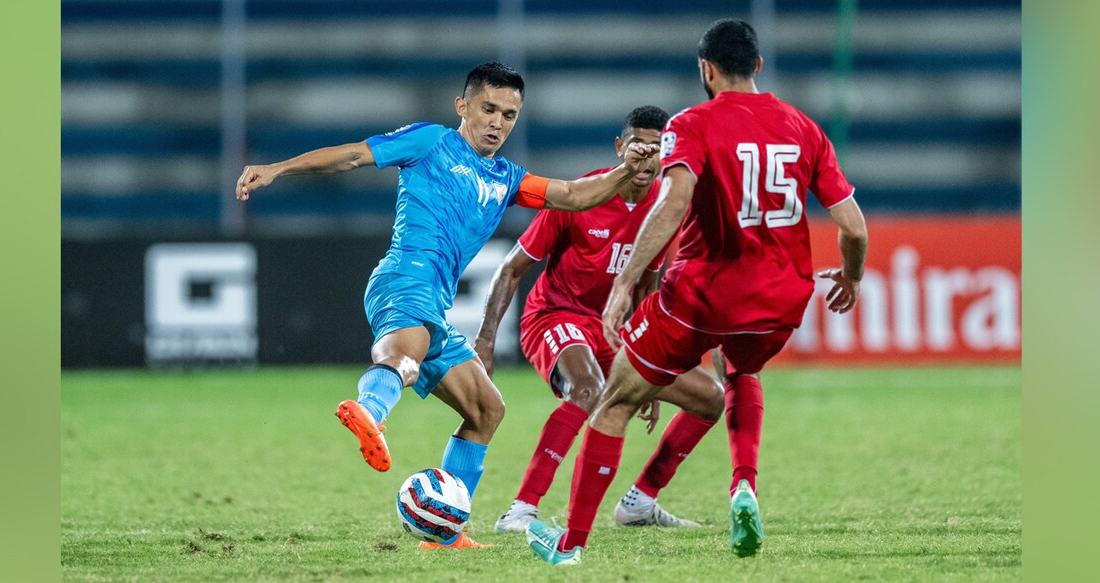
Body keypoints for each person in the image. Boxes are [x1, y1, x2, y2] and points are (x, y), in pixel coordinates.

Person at [234, 62, 660, 550]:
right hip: (403, 277)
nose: (498, 123)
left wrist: (629, 168)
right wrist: (277, 168)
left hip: (435, 301)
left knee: (486, 409)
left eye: (510, 115)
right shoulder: (432, 142)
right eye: (488, 109)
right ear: (463, 106)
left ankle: (443, 532)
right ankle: (370, 409)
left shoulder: (507, 177)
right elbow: (355, 156)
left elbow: (572, 194)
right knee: (403, 357)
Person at [525, 20, 869, 565]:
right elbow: (854, 229)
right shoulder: (805, 128)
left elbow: (673, 202)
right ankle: (742, 486)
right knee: (741, 375)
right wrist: (851, 277)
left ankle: (570, 547)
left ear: (705, 70)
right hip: (780, 302)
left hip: (702, 296)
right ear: (757, 65)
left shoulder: (694, 123)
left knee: (615, 400)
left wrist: (625, 282)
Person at [474, 106, 725, 533]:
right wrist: (484, 343)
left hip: (611, 331)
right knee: (587, 387)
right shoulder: (582, 196)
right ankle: (520, 509)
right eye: (637, 150)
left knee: (711, 398)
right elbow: (511, 269)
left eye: (656, 152)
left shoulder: (667, 209)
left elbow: (646, 288)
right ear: (619, 148)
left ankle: (640, 501)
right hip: (554, 316)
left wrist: (650, 358)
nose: (646, 163)